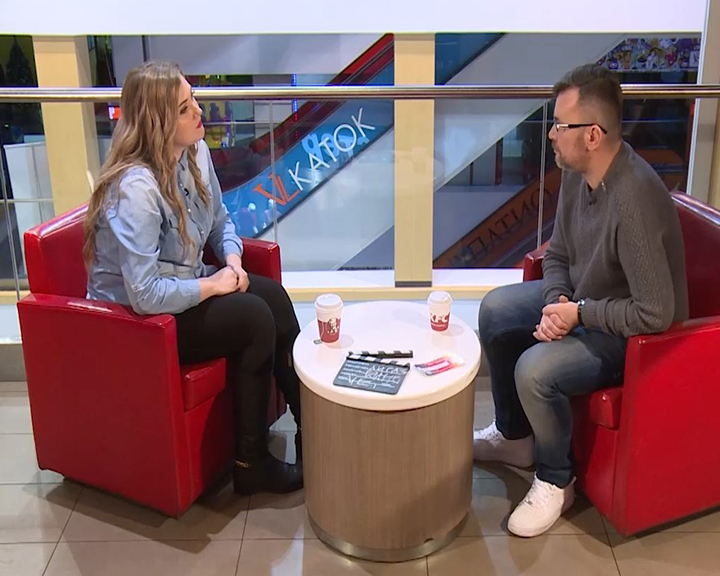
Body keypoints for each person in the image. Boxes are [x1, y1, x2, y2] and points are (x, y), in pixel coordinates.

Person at [473, 64, 688, 538]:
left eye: (560, 125)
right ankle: (514, 437)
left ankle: (556, 479)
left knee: (534, 369)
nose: (551, 135)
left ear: (592, 135)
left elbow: (656, 313)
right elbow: (559, 254)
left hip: (632, 335)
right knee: (496, 311)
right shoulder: (577, 173)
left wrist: (579, 314)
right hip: (585, 307)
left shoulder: (634, 198)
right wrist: (557, 305)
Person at [84, 61, 303, 496]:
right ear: (159, 123)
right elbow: (145, 294)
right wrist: (214, 286)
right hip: (136, 323)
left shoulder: (194, 152)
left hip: (179, 286)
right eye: (185, 109)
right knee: (254, 319)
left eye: (193, 99)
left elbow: (219, 219)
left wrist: (233, 261)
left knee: (274, 298)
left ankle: (313, 431)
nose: (199, 112)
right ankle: (251, 463)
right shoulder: (136, 190)